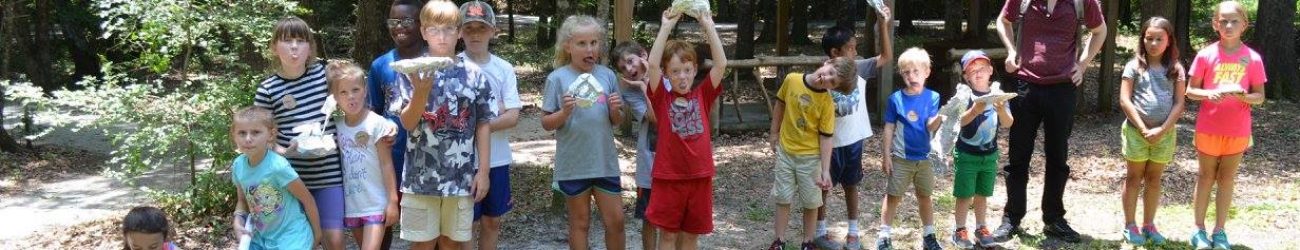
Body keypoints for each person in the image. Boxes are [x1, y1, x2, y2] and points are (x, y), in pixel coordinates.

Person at [991, 0, 1107, 243]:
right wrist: (1012, 50)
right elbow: (1003, 21)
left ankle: (1054, 219)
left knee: (1058, 157)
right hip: (1026, 86)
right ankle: (1012, 218)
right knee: (1018, 157)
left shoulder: (1081, 2)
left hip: (1063, 88)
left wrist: (1083, 64)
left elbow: (1100, 31)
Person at [396, 1, 495, 249]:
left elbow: (483, 124)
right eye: (434, 29)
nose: (442, 37)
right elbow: (407, 123)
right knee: (422, 244)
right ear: (423, 32)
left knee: (452, 243)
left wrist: (483, 172)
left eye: (449, 29)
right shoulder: (410, 71)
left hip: (460, 178)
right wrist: (420, 93)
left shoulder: (475, 75)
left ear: (459, 32)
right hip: (420, 180)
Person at [252, 16, 345, 250]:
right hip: (290, 179)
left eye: (301, 41)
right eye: (287, 40)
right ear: (274, 47)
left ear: (310, 47)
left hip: (328, 175)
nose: (294, 47)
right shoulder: (268, 89)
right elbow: (262, 135)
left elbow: (351, 103)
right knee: (302, 243)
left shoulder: (325, 75)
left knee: (334, 240)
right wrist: (282, 151)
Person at [539, 14, 627, 250]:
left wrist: (615, 109)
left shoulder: (607, 76)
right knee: (580, 224)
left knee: (616, 221)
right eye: (582, 43)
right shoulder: (557, 79)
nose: (590, 49)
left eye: (594, 43)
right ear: (568, 46)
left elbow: (616, 121)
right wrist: (564, 113)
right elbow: (546, 122)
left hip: (604, 161)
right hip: (573, 164)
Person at [643, 8, 728, 250]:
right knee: (668, 236)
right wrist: (666, 27)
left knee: (691, 236)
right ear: (667, 74)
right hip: (669, 178)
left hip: (700, 177)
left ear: (695, 70)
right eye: (675, 71)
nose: (682, 77)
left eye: (687, 70)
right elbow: (651, 65)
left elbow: (721, 64)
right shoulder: (662, 97)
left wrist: (708, 25)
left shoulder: (702, 94)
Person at [1184, 2, 1267, 249]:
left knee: (1227, 179)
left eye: (1234, 21)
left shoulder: (1253, 58)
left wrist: (1243, 95)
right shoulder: (1206, 54)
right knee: (1205, 176)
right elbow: (1190, 91)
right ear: (1215, 24)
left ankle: (1220, 231)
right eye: (1223, 21)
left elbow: (1259, 96)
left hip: (1237, 130)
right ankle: (1198, 230)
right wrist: (1209, 93)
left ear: (1244, 25)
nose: (1228, 26)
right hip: (1208, 128)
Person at [811, 10, 893, 249]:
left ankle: (853, 232)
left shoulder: (858, 67)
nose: (855, 52)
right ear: (835, 52)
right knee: (823, 188)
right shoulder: (823, 76)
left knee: (851, 185)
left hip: (854, 139)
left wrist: (882, 23)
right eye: (851, 48)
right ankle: (820, 231)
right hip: (829, 143)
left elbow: (886, 56)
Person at [765, 56, 857, 250]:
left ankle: (808, 242)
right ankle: (779, 240)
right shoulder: (792, 80)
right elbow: (780, 105)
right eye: (830, 72)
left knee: (811, 202)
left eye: (833, 81)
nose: (827, 78)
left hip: (811, 159)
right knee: (782, 198)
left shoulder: (825, 102)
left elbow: (826, 137)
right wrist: (774, 133)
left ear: (834, 88)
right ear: (827, 63)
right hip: (786, 153)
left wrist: (825, 170)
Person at [455, 2, 521, 250]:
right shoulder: (452, 66)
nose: (474, 34)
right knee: (465, 223)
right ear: (459, 32)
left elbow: (513, 116)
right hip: (461, 160)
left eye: (481, 28)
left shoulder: (503, 68)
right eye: (468, 28)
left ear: (492, 31)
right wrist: (495, 112)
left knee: (492, 220)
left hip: (497, 158)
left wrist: (477, 124)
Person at [1116, 16, 1185, 246]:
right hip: (1137, 133)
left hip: (1164, 135)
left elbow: (1179, 103)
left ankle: (1149, 224)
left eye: (1159, 39)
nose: (1153, 43)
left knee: (1154, 179)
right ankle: (1130, 224)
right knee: (1134, 177)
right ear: (1142, 39)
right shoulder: (1133, 66)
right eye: (1149, 38)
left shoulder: (1175, 68)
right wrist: (1144, 128)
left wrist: (1162, 130)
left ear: (1169, 41)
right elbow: (1125, 100)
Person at [366, 1, 425, 247]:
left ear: (421, 24)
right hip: (392, 158)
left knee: (425, 228)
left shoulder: (434, 61)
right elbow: (373, 112)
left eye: (407, 21)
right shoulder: (380, 65)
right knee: (385, 219)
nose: (399, 27)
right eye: (394, 22)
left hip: (427, 160)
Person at [875, 48, 945, 250]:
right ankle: (884, 235)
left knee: (925, 196)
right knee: (893, 195)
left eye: (916, 71)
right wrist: (886, 155)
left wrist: (942, 116)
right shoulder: (895, 99)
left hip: (925, 159)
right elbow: (889, 128)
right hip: (901, 159)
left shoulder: (933, 97)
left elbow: (931, 125)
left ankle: (929, 235)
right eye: (906, 72)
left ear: (927, 72)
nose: (911, 76)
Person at [327, 59, 400, 250]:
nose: (351, 97)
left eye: (355, 90)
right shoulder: (336, 125)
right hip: (353, 205)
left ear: (365, 90)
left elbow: (386, 164)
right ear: (335, 97)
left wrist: (392, 201)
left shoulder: (377, 124)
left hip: (376, 203)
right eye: (343, 92)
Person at [228, 106, 322, 249]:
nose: (248, 138)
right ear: (234, 136)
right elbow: (242, 201)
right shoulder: (238, 165)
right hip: (261, 238)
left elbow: (307, 200)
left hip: (291, 237)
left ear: (271, 135)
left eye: (255, 132)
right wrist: (237, 219)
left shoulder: (278, 166)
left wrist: (317, 234)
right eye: (242, 133)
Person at [948, 50, 1014, 249]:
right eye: (972, 70)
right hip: (967, 153)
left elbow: (1008, 123)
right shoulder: (964, 95)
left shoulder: (998, 94)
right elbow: (957, 121)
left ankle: (981, 228)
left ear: (991, 71)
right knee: (964, 194)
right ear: (966, 76)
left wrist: (1001, 108)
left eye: (982, 69)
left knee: (982, 194)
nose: (978, 73)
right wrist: (974, 110)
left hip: (989, 155)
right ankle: (959, 229)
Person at [611, 39, 662, 250]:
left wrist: (650, 81)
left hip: (675, 161)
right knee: (650, 217)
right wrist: (644, 86)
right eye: (623, 68)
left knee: (676, 219)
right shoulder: (632, 91)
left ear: (644, 54)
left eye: (631, 61)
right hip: (649, 164)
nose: (630, 69)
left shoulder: (667, 74)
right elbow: (655, 118)